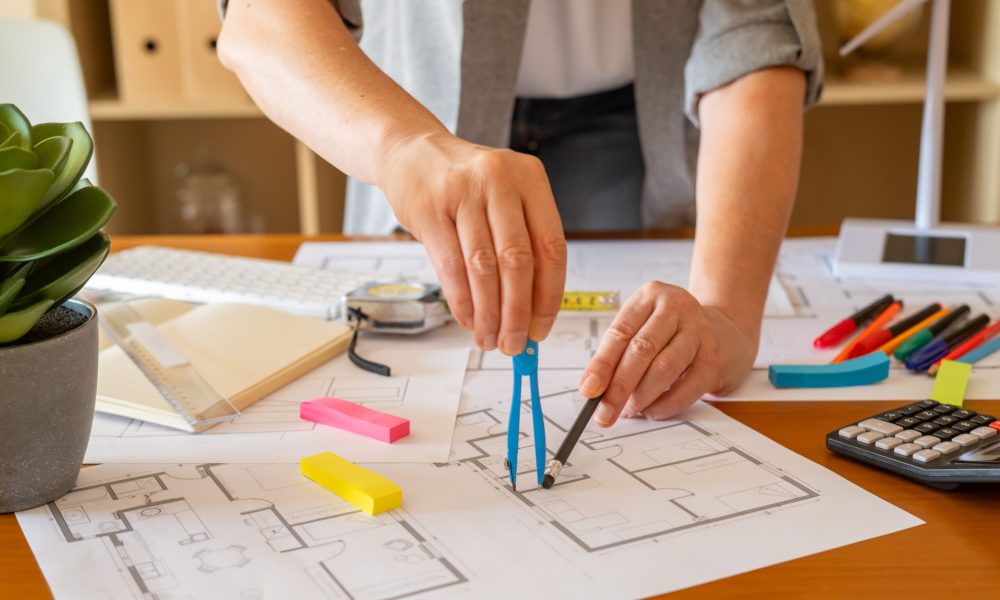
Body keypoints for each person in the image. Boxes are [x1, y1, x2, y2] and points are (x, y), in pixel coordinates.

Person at [217, 0, 823, 427]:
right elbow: (259, 17)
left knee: (654, 350)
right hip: (407, 107)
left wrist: (727, 314)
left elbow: (754, 34)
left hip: (635, 120)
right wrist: (402, 149)